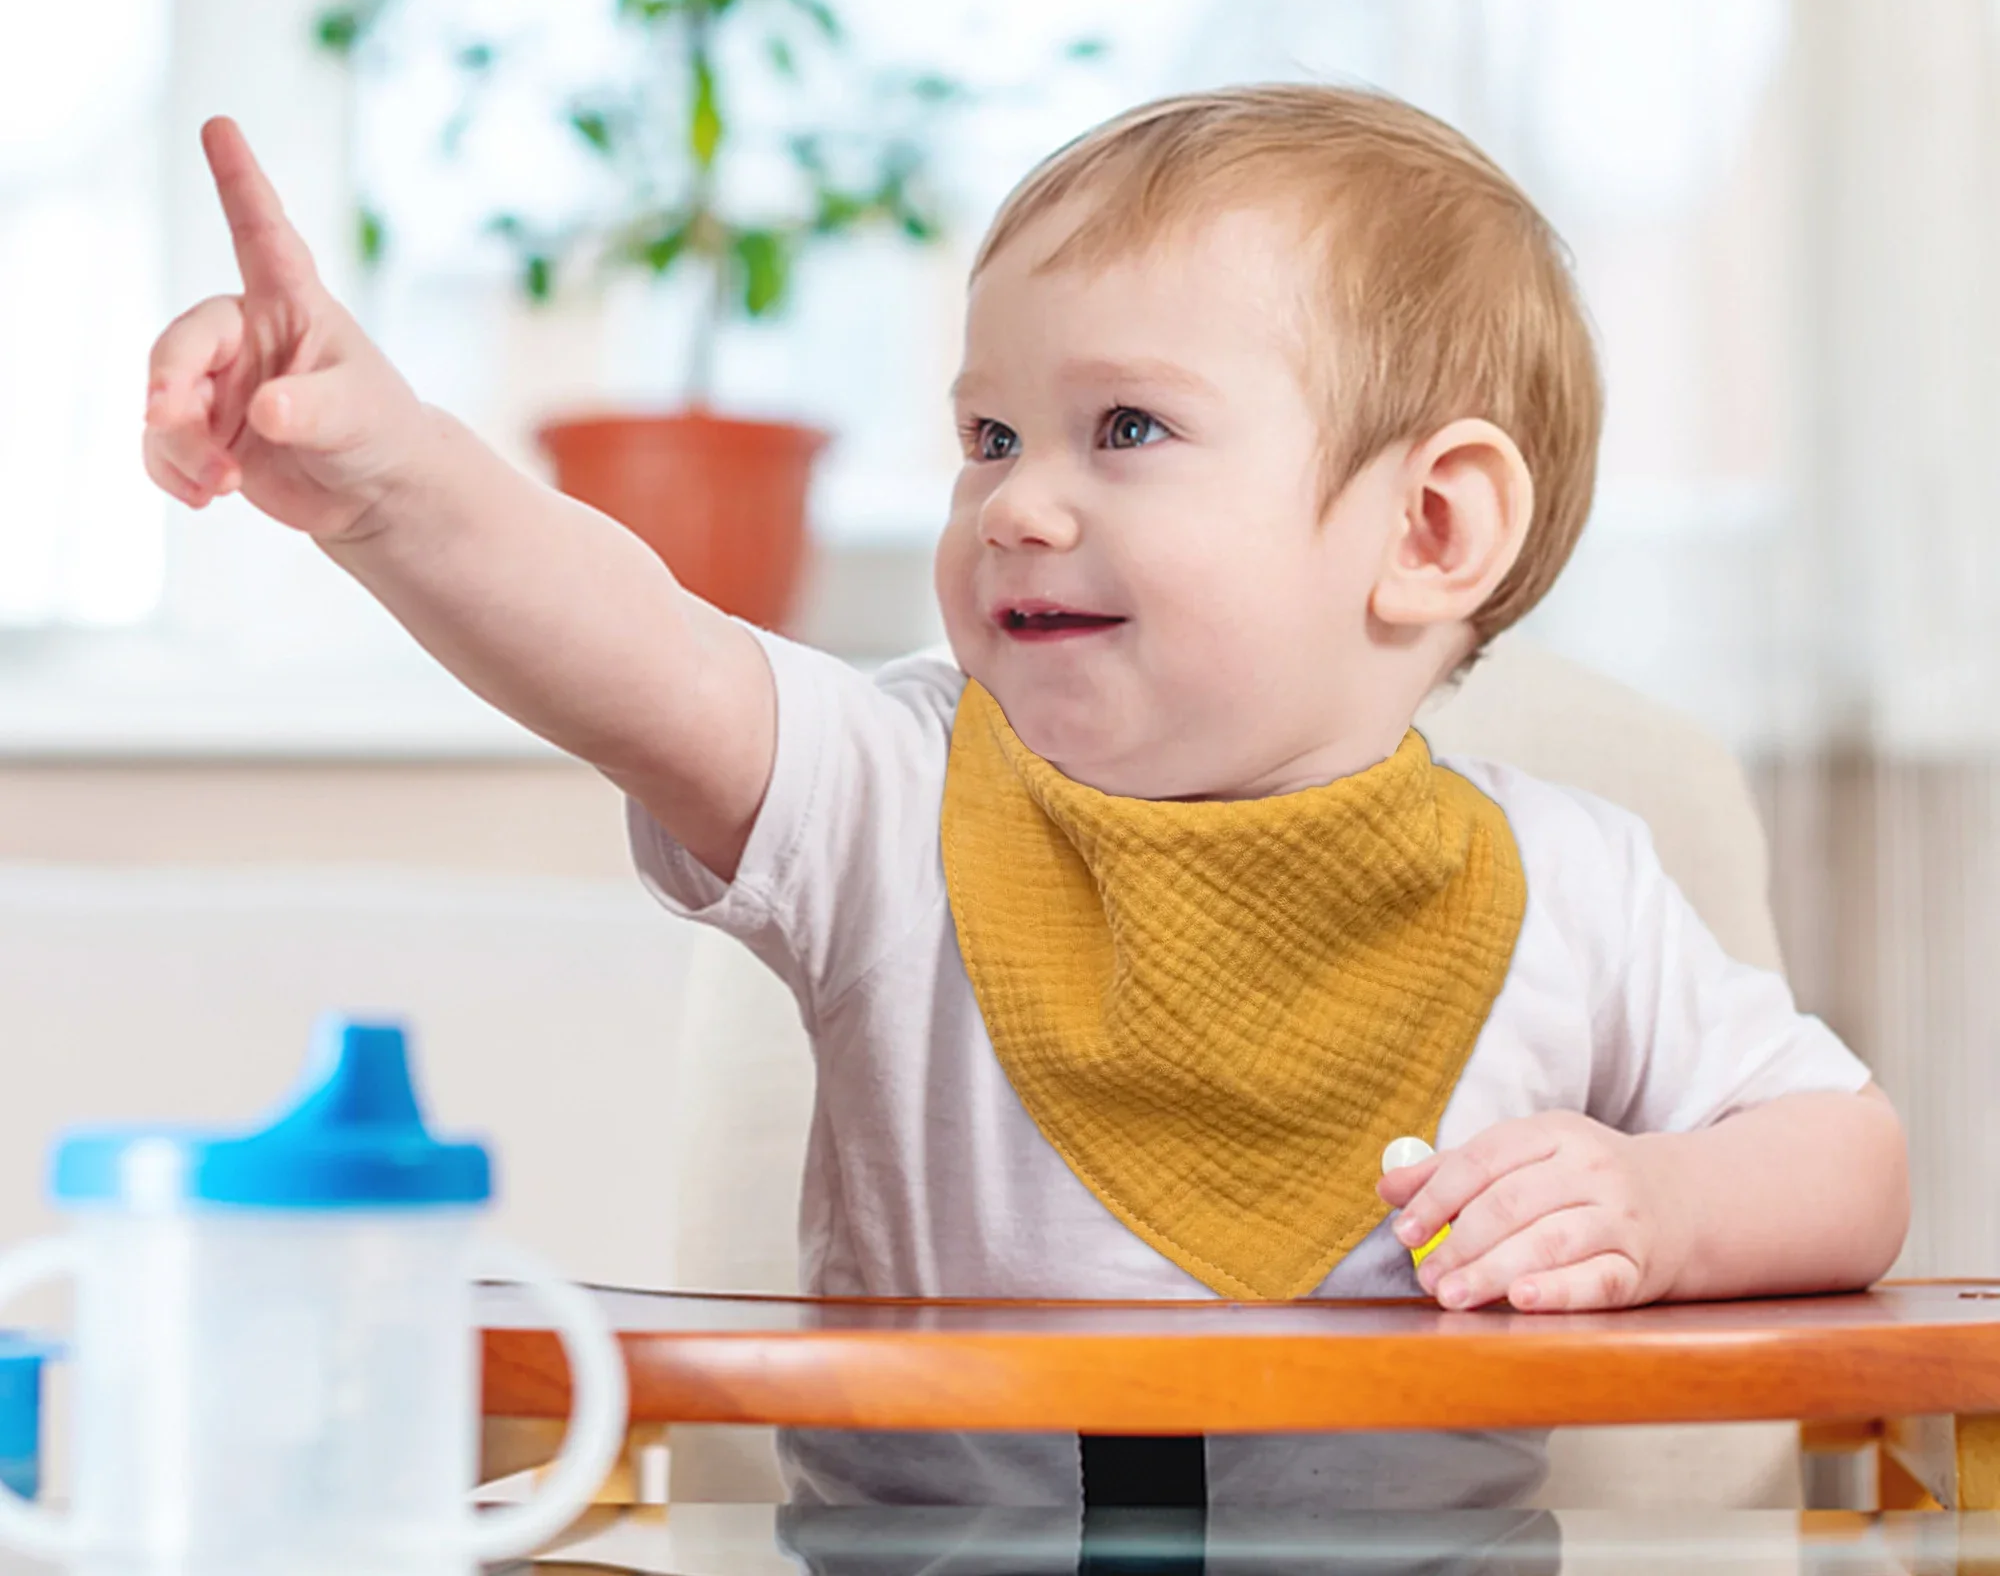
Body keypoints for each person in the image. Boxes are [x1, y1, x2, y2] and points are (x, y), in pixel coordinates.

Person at [144, 84, 1907, 1509]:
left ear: (1430, 528)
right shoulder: (889, 796)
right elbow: (632, 650)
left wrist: (1660, 1212)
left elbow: (1846, 1158)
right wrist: (387, 482)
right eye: (988, 438)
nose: (1018, 505)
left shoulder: (1574, 884)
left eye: (1122, 429)